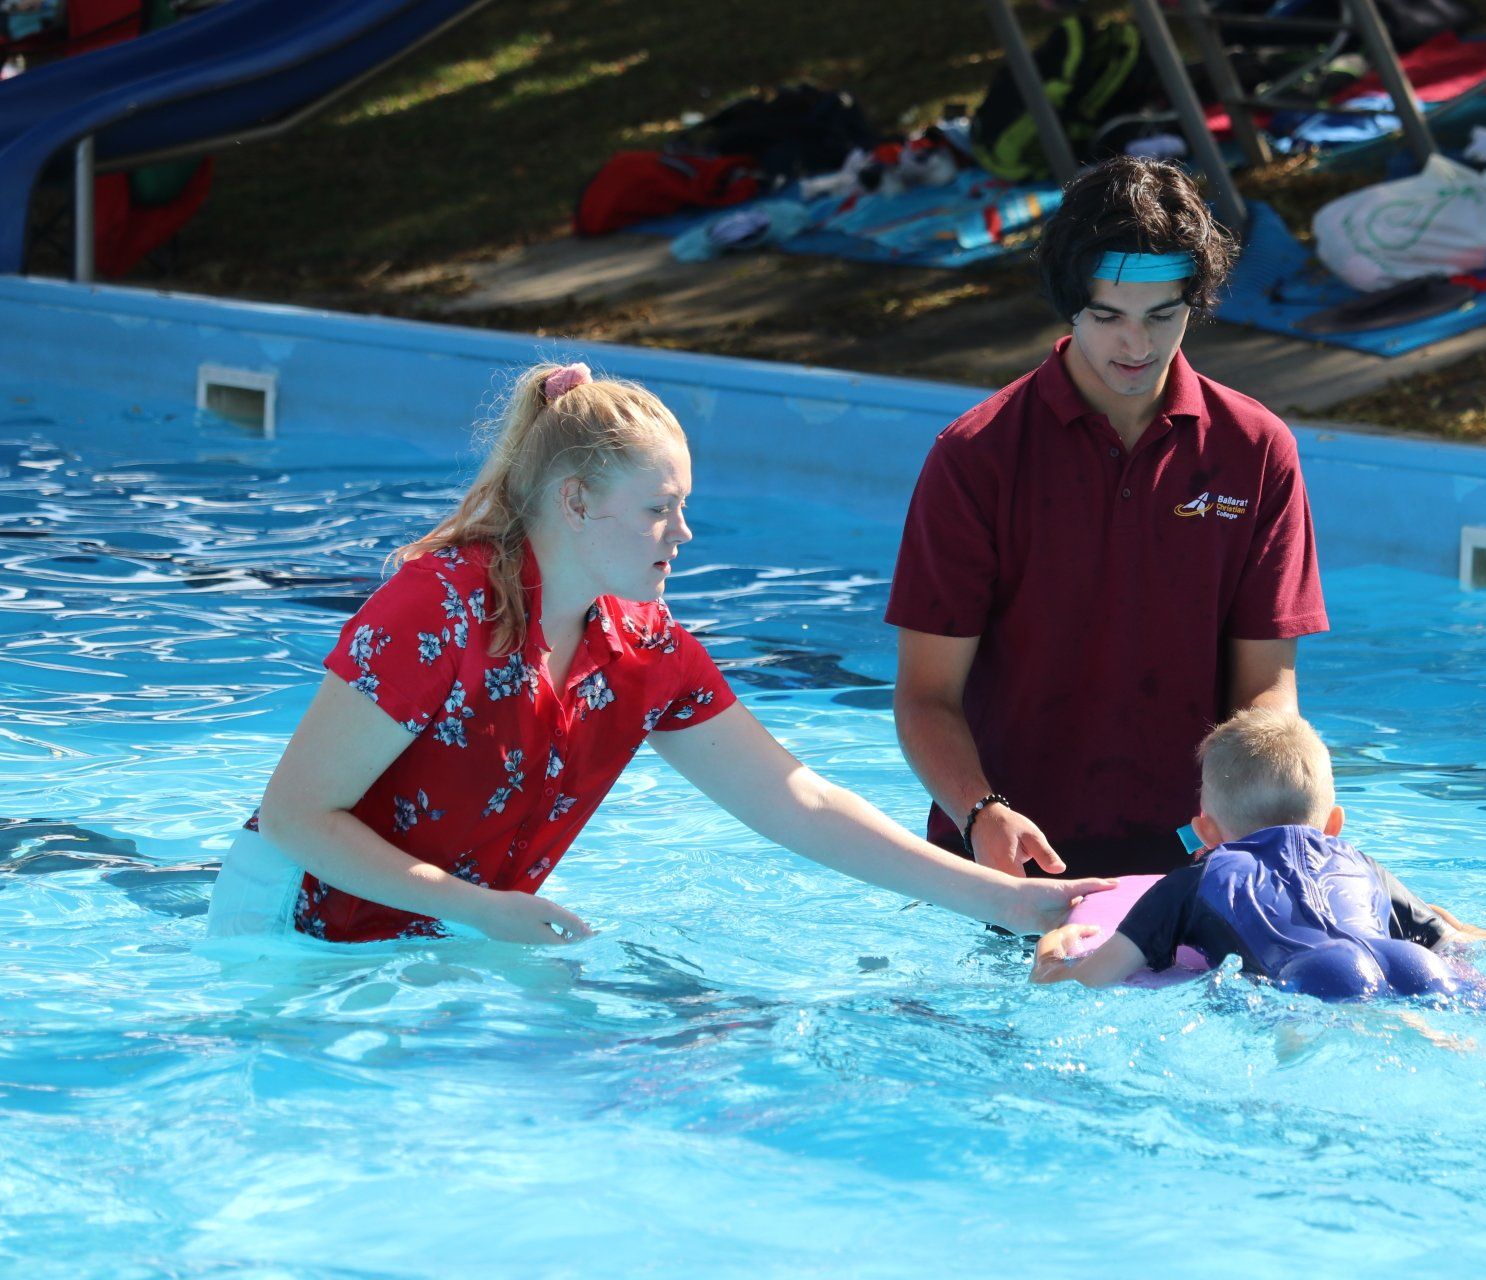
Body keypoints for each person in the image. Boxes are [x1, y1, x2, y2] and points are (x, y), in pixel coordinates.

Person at [206, 363, 1110, 945]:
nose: (682, 532)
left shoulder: (642, 649)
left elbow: (799, 802)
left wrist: (1005, 902)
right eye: (657, 508)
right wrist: (480, 910)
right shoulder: (434, 610)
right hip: (290, 926)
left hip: (450, 926)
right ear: (572, 502)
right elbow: (293, 817)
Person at [887, 156, 1330, 886]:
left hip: (1199, 866)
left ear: (1197, 299)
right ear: (1071, 305)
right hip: (1007, 869)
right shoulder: (976, 457)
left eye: (1163, 316)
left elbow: (1266, 695)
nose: (1137, 346)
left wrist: (1271, 825)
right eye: (1108, 316)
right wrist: (981, 810)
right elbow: (924, 695)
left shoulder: (1255, 450)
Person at [1029, 709, 1484, 995]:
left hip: (1311, 977)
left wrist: (1049, 957)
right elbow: (1457, 941)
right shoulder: (1361, 863)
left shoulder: (1193, 881)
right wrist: (1454, 926)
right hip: (1410, 962)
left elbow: (1091, 980)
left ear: (1205, 833)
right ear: (1334, 826)